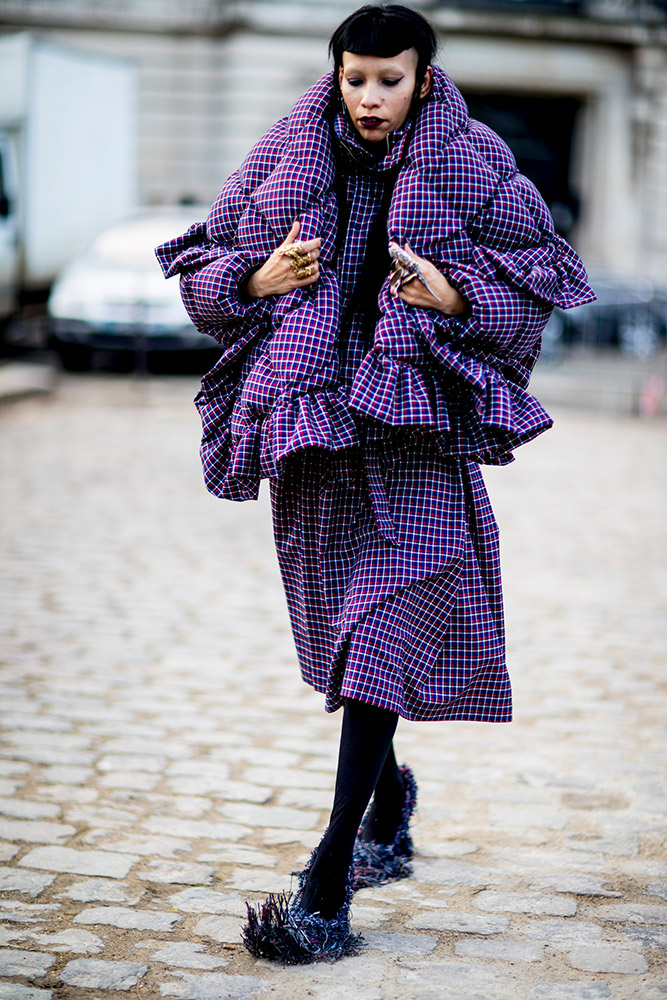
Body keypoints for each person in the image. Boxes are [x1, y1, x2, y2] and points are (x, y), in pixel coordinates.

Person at [156, 4, 594, 964]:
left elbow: (543, 278)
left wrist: (458, 294)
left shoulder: (474, 160)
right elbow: (203, 273)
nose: (368, 97)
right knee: (347, 635)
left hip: (414, 424)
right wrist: (258, 281)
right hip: (317, 423)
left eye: (388, 79)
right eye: (355, 78)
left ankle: (326, 879)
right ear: (337, 75)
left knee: (391, 619)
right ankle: (387, 795)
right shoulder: (286, 152)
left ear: (423, 79)